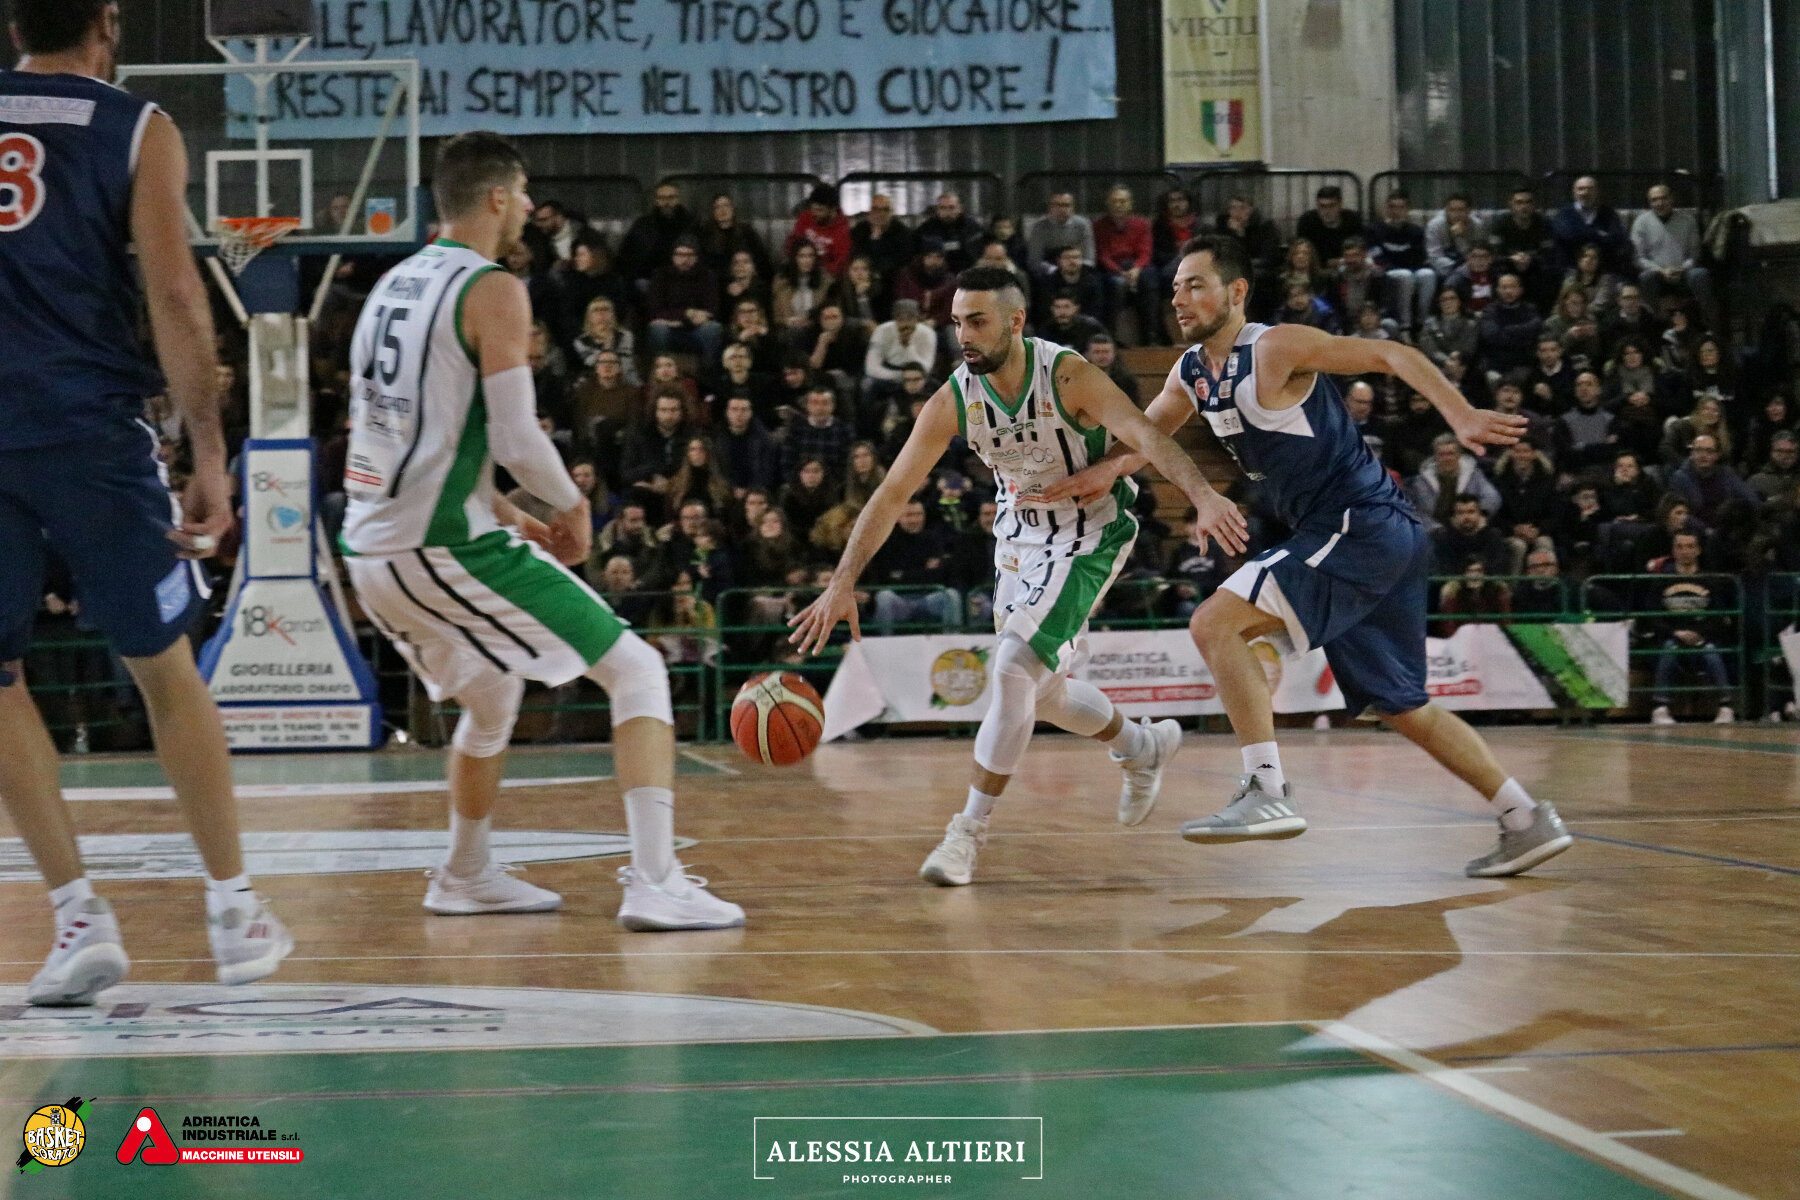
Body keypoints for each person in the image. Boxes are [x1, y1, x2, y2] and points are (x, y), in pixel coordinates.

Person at [1052, 235, 1571, 878]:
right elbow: (1144, 433)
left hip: (1358, 523)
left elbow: (1390, 352)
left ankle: (1266, 789)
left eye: (1196, 285)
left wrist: (1459, 414)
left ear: (1236, 292)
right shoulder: (1192, 371)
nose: (1180, 298)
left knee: (1214, 623)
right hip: (1375, 535)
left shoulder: (1275, 347)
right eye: (1177, 287)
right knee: (1402, 706)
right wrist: (1100, 472)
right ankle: (1524, 818)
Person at [340, 131, 742, 931]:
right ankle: (656, 882)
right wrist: (570, 506)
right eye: (522, 194)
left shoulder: (392, 287)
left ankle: (464, 873)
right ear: (497, 197)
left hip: (373, 547)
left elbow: (424, 443)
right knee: (638, 670)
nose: (528, 207)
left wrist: (515, 516)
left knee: (493, 697)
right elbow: (517, 439)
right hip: (437, 546)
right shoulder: (490, 287)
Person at [0, 0, 292, 1005]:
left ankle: (77, 915)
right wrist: (209, 449)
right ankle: (234, 910)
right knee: (163, 666)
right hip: (88, 428)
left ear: (14, 29)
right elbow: (173, 293)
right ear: (108, 24)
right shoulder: (137, 127)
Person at [788, 267, 1221, 885]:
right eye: (957, 323)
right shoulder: (954, 399)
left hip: (1089, 534)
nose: (963, 335)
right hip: (1019, 540)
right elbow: (891, 493)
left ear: (1015, 322)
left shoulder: (1067, 375)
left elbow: (1147, 435)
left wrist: (1201, 495)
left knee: (1014, 669)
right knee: (1042, 694)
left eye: (977, 321)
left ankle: (966, 833)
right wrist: (842, 581)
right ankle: (1139, 746)